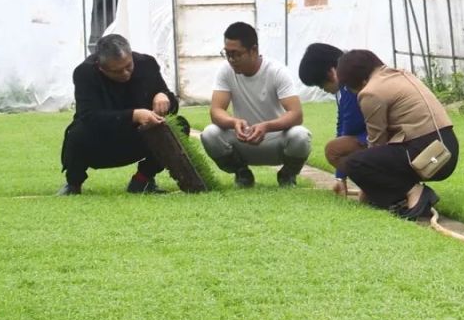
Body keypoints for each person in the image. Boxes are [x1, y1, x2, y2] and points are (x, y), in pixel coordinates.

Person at [336, 49, 459, 219]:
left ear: (359, 80)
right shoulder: (402, 74)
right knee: (371, 159)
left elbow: (377, 143)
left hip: (423, 153)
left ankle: (414, 191)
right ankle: (404, 196)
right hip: (447, 150)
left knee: (355, 163)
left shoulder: (370, 91)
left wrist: (366, 187)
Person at [58, 34, 188, 195]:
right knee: (76, 134)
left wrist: (164, 96)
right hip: (100, 142)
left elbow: (172, 108)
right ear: (100, 67)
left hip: (138, 137)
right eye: (117, 71)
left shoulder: (147, 64)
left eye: (129, 66)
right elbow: (89, 117)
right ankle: (73, 184)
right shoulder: (84, 73)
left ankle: (142, 180)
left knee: (179, 125)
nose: (126, 73)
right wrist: (134, 115)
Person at [200, 22, 312, 187]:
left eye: (236, 54)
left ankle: (287, 174)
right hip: (242, 140)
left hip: (275, 140)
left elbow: (296, 114)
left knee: (300, 136)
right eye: (227, 53)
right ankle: (241, 173)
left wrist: (266, 127)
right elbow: (216, 110)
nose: (231, 60)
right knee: (210, 133)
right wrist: (234, 122)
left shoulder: (277, 71)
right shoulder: (225, 71)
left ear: (253, 50)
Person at [298, 43, 367, 198]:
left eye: (320, 85)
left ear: (331, 72)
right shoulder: (343, 89)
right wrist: (340, 177)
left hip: (379, 141)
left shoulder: (350, 86)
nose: (322, 90)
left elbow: (349, 129)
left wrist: (342, 174)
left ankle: (374, 185)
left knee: (333, 150)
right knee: (337, 147)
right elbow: (342, 125)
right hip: (371, 140)